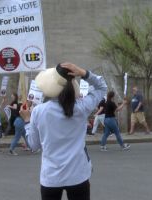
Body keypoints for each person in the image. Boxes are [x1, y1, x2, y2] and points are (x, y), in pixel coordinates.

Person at [20, 63, 107, 200]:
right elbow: (101, 87)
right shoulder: (82, 107)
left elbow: (33, 145)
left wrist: (26, 120)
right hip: (78, 175)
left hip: (51, 177)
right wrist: (84, 72)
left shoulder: (39, 111)